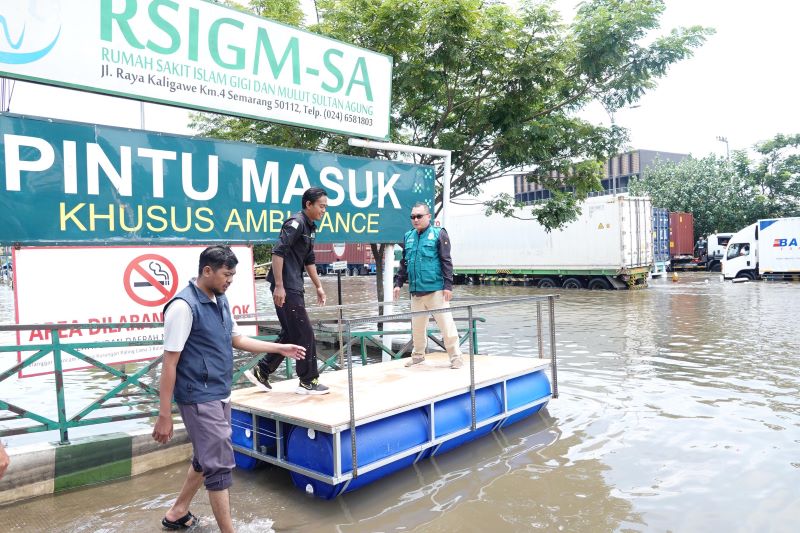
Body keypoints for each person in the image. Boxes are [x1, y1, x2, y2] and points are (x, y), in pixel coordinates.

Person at [152, 246, 305, 532]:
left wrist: (280, 348)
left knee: (205, 457)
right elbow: (169, 363)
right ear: (207, 271)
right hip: (198, 396)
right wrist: (164, 414)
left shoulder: (220, 299)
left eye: (233, 275)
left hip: (220, 392)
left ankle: (177, 512)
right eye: (226, 274)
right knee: (219, 465)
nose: (230, 280)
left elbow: (237, 339)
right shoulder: (183, 307)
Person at [245, 187, 330, 395]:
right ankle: (308, 381)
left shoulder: (311, 228)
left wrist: (318, 286)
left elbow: (309, 260)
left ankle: (262, 371)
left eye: (326, 207)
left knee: (292, 332)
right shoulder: (296, 223)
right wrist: (280, 286)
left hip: (295, 285)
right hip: (286, 286)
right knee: (305, 332)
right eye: (321, 206)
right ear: (308, 204)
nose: (324, 211)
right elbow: (278, 252)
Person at [393, 202, 464, 369]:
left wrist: (448, 286)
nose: (415, 219)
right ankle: (418, 355)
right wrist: (398, 283)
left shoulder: (439, 234)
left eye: (419, 216)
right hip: (416, 291)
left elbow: (446, 261)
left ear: (428, 216)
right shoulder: (408, 236)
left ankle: (456, 357)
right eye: (412, 217)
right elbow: (404, 263)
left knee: (446, 326)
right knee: (417, 328)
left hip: (436, 290)